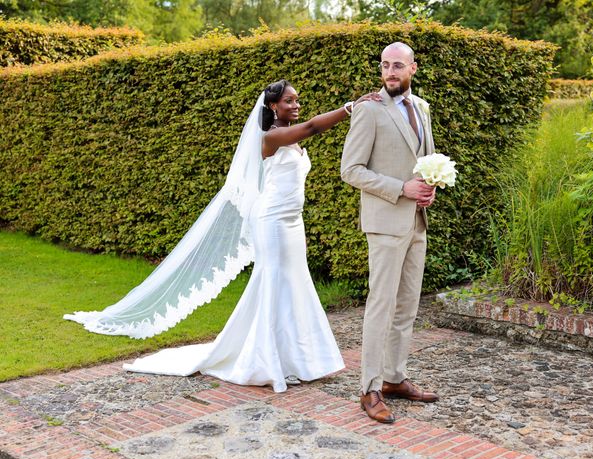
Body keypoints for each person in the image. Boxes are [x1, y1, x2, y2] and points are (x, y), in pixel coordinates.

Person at [65, 79, 380, 393]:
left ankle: (300, 359)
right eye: (289, 101)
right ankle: (264, 360)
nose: (296, 105)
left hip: (292, 221)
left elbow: (305, 131)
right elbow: (312, 127)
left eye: (297, 100)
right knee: (271, 280)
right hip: (270, 220)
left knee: (295, 281)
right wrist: (349, 107)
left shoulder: (287, 136)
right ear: (273, 106)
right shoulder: (271, 137)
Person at [341, 42, 440, 423]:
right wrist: (402, 188)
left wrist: (428, 187)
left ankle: (395, 379)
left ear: (413, 68)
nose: (390, 72)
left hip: (416, 222)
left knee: (406, 306)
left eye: (397, 65)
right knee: (381, 306)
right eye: (385, 66)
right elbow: (351, 170)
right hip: (384, 224)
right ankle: (369, 388)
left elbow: (425, 159)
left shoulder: (421, 108)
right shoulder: (368, 110)